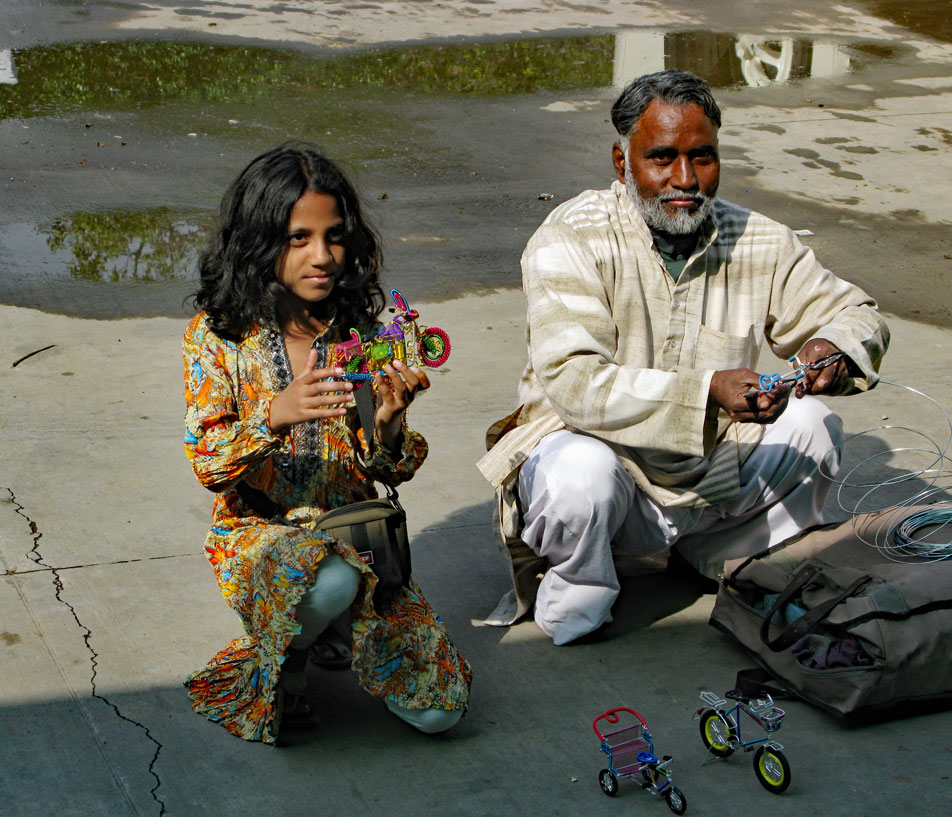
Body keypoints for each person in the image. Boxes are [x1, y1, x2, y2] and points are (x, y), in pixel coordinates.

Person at [477, 70, 889, 646]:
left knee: (814, 429)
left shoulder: (758, 239)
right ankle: (581, 583)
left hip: (707, 470)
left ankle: (717, 556)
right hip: (602, 464)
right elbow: (575, 383)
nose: (686, 179)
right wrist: (706, 390)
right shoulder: (570, 238)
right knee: (579, 477)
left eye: (703, 157)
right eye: (662, 158)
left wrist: (835, 348)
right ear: (622, 164)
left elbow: (857, 312)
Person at [183, 144, 471, 743]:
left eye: (334, 236)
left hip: (356, 532)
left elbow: (388, 465)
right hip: (261, 537)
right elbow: (208, 464)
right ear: (258, 241)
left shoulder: (361, 334)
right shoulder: (220, 337)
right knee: (330, 578)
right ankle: (284, 661)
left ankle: (332, 626)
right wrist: (273, 416)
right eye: (298, 238)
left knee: (441, 712)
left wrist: (389, 422)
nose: (322, 257)